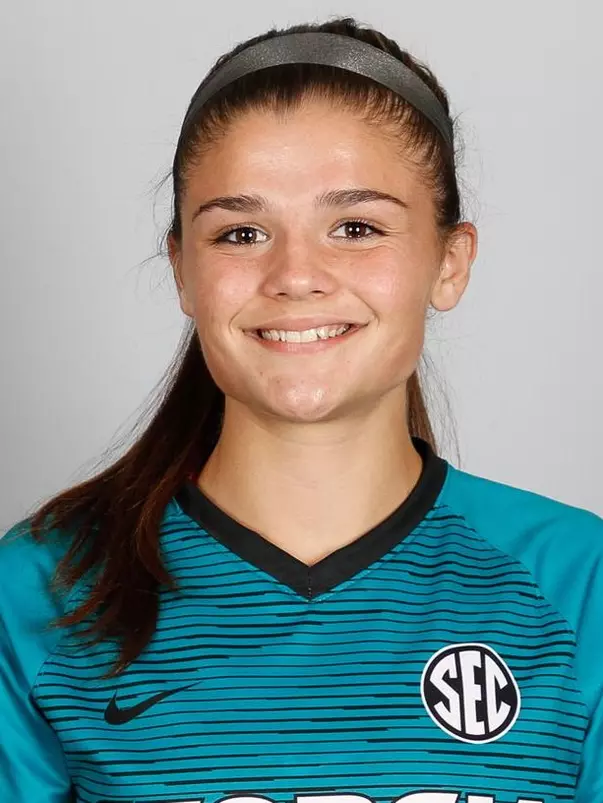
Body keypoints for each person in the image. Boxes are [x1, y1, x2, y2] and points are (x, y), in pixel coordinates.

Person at [0, 14, 601, 803]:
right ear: (182, 270)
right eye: (241, 232)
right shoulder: (44, 586)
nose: (294, 275)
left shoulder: (577, 582)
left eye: (355, 227)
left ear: (449, 263)